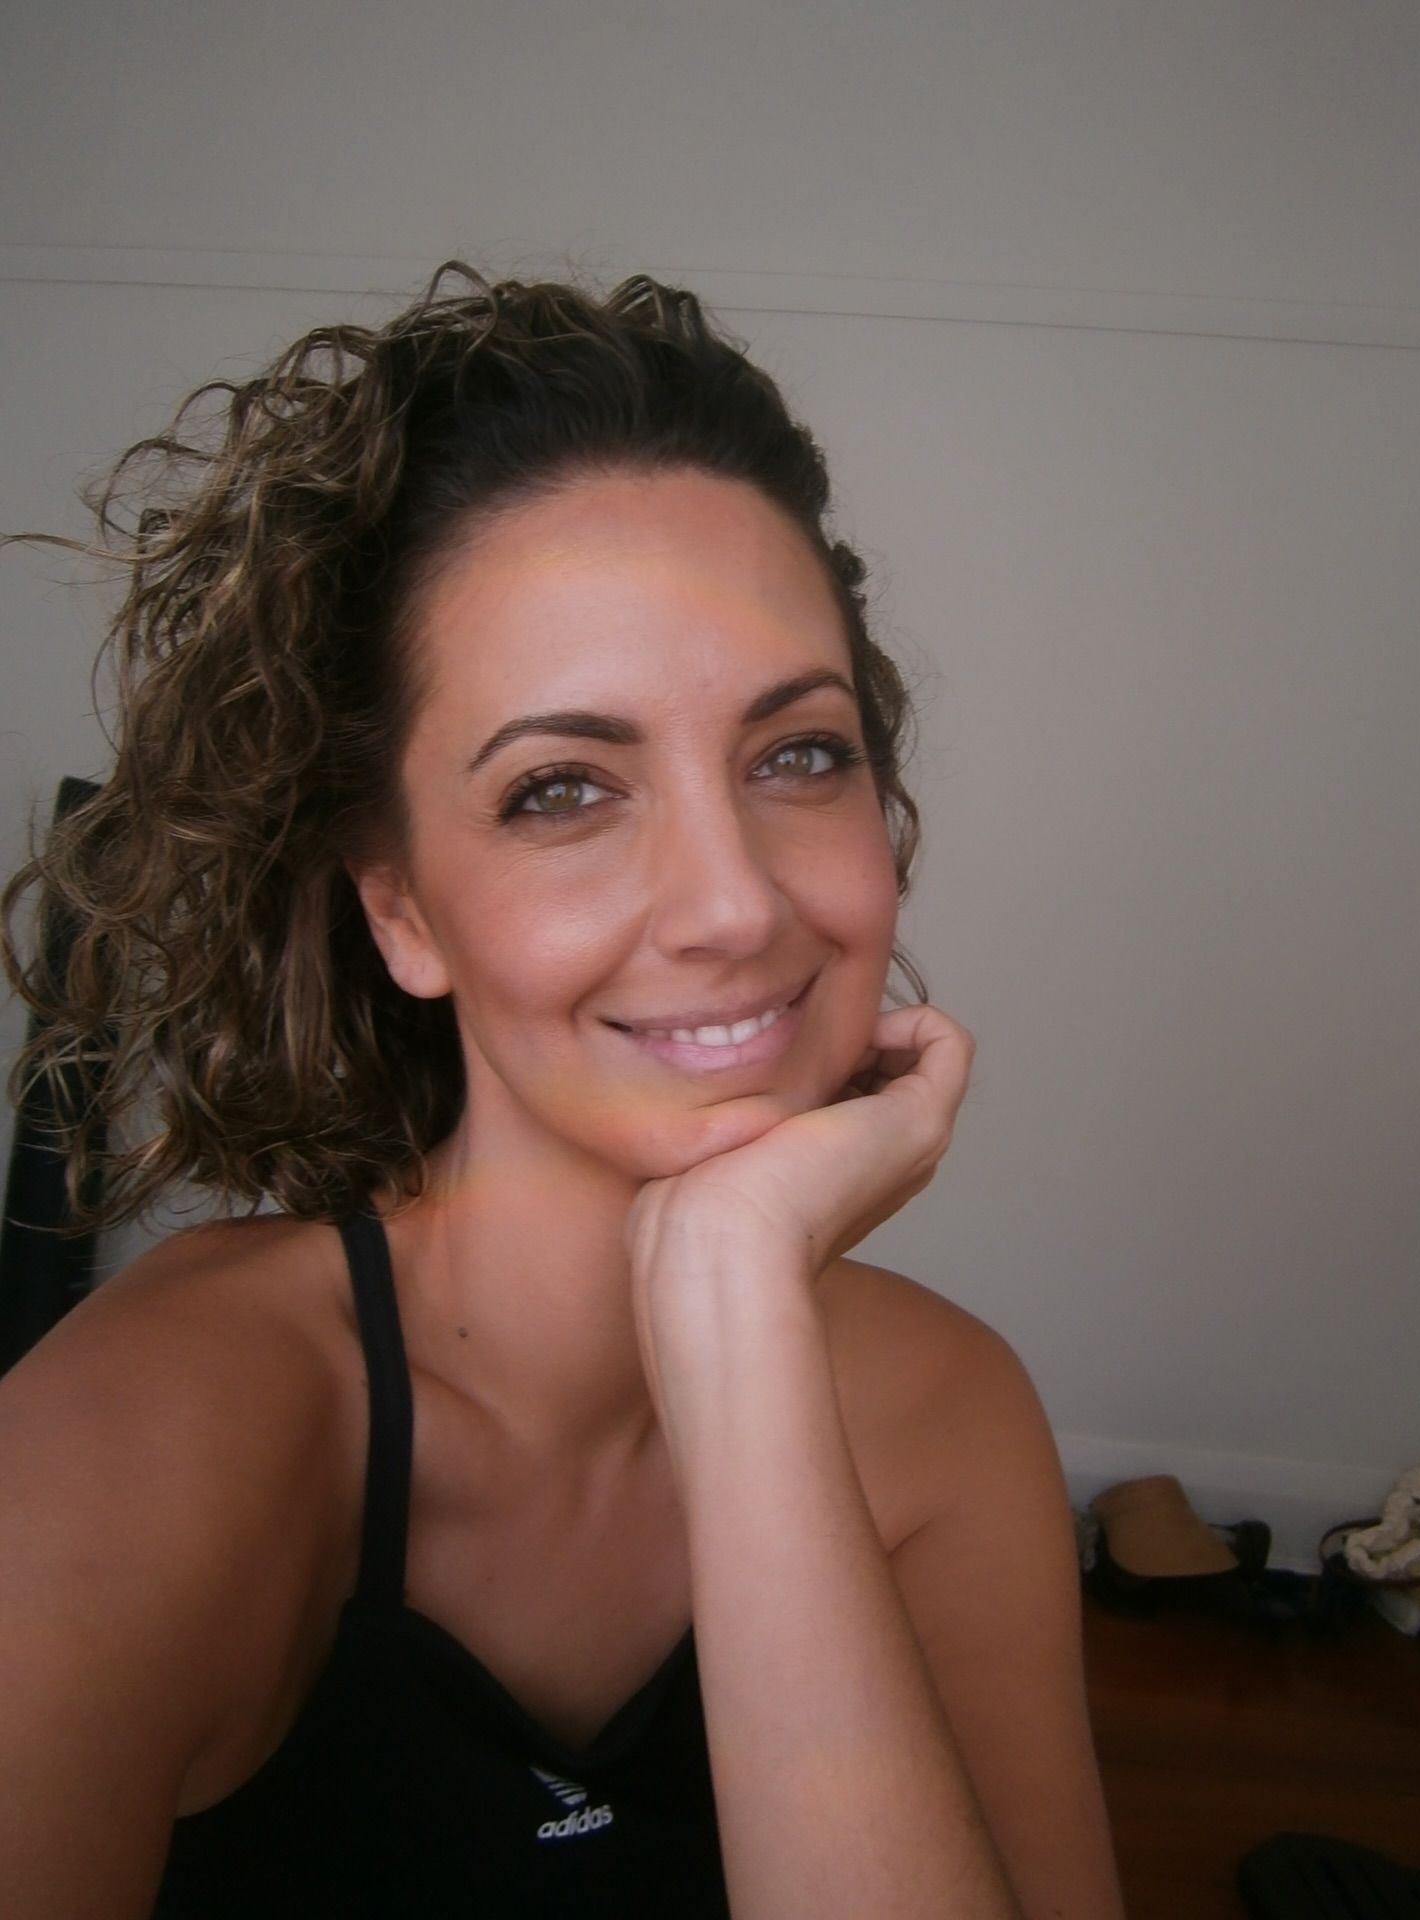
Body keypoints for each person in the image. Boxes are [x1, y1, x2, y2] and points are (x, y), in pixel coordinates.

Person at [0, 264, 1125, 1918]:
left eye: (799, 753)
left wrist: (736, 1316)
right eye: (562, 790)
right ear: (401, 909)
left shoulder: (947, 1421)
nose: (734, 904)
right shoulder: (132, 1441)